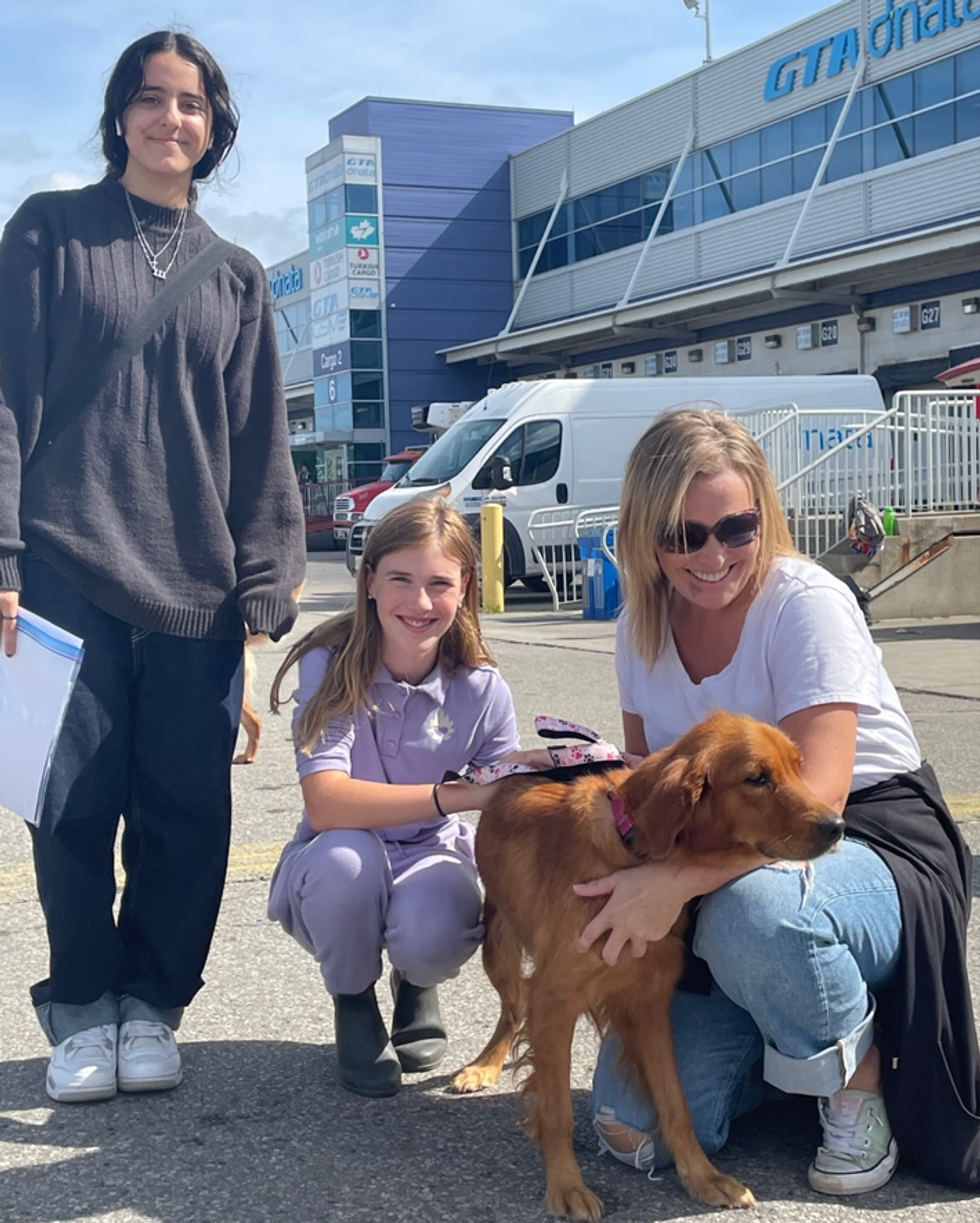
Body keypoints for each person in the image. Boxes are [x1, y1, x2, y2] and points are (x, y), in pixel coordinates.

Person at [0, 31, 306, 1104]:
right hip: (66, 561)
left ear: (214, 126)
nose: (169, 119)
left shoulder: (235, 273)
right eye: (149, 99)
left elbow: (257, 439)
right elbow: (6, 398)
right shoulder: (48, 232)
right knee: (68, 797)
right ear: (118, 113)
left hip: (198, 585)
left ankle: (152, 1003)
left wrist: (266, 588)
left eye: (191, 104)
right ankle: (82, 1004)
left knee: (186, 811)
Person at [573, 408, 979, 1195]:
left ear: (764, 514)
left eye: (735, 526)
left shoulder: (804, 602)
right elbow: (642, 768)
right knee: (631, 1126)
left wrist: (678, 882)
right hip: (727, 851)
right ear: (643, 531)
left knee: (758, 914)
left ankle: (857, 1078)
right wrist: (564, 775)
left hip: (860, 836)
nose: (713, 555)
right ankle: (790, 1052)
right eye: (682, 535)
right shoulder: (639, 626)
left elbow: (817, 799)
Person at [267, 496, 519, 1098]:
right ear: (370, 579)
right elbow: (327, 804)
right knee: (345, 861)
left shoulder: (483, 687)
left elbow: (503, 799)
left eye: (440, 583)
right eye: (401, 579)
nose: (421, 602)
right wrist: (453, 796)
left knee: (436, 924)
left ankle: (415, 981)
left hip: (429, 853)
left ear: (465, 588)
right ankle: (354, 1002)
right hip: (339, 854)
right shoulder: (331, 663)